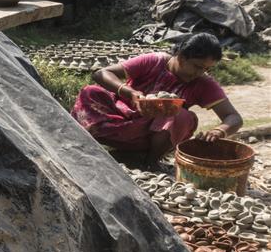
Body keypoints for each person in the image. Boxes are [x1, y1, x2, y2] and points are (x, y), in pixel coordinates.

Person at [71, 33, 243, 163]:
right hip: (119, 119)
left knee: (183, 116)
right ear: (182, 57)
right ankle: (84, 144)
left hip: (151, 136)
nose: (200, 73)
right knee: (91, 92)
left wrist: (219, 131)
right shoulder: (154, 61)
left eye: (206, 69)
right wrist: (130, 93)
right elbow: (102, 73)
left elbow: (234, 117)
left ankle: (149, 162)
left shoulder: (203, 83)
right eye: (197, 67)